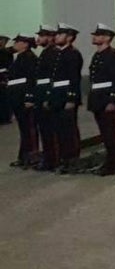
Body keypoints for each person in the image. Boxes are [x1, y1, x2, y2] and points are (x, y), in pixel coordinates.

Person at [88, 24, 115, 175]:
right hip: (98, 98)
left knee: (113, 134)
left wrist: (113, 100)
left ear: (107, 38)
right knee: (105, 134)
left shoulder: (113, 55)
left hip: (108, 99)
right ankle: (109, 162)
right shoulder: (97, 55)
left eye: (98, 35)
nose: (94, 37)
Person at [48, 23, 84, 171]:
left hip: (66, 97)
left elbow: (74, 78)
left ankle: (72, 159)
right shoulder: (59, 54)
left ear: (69, 37)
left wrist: (71, 98)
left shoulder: (73, 54)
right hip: (57, 96)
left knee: (69, 130)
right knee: (60, 130)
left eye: (60, 34)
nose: (56, 36)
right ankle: (64, 158)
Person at [6, 34, 39, 167]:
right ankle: (24, 156)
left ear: (25, 44)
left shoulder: (29, 58)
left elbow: (31, 79)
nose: (15, 44)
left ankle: (31, 156)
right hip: (17, 97)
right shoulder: (20, 57)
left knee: (29, 128)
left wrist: (30, 97)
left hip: (24, 97)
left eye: (18, 42)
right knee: (23, 128)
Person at [31, 25, 59, 171]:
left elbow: (52, 77)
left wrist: (48, 96)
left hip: (46, 95)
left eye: (42, 36)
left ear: (49, 37)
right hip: (41, 95)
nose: (38, 39)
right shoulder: (46, 53)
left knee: (49, 131)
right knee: (45, 130)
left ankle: (52, 160)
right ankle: (49, 158)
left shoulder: (53, 53)